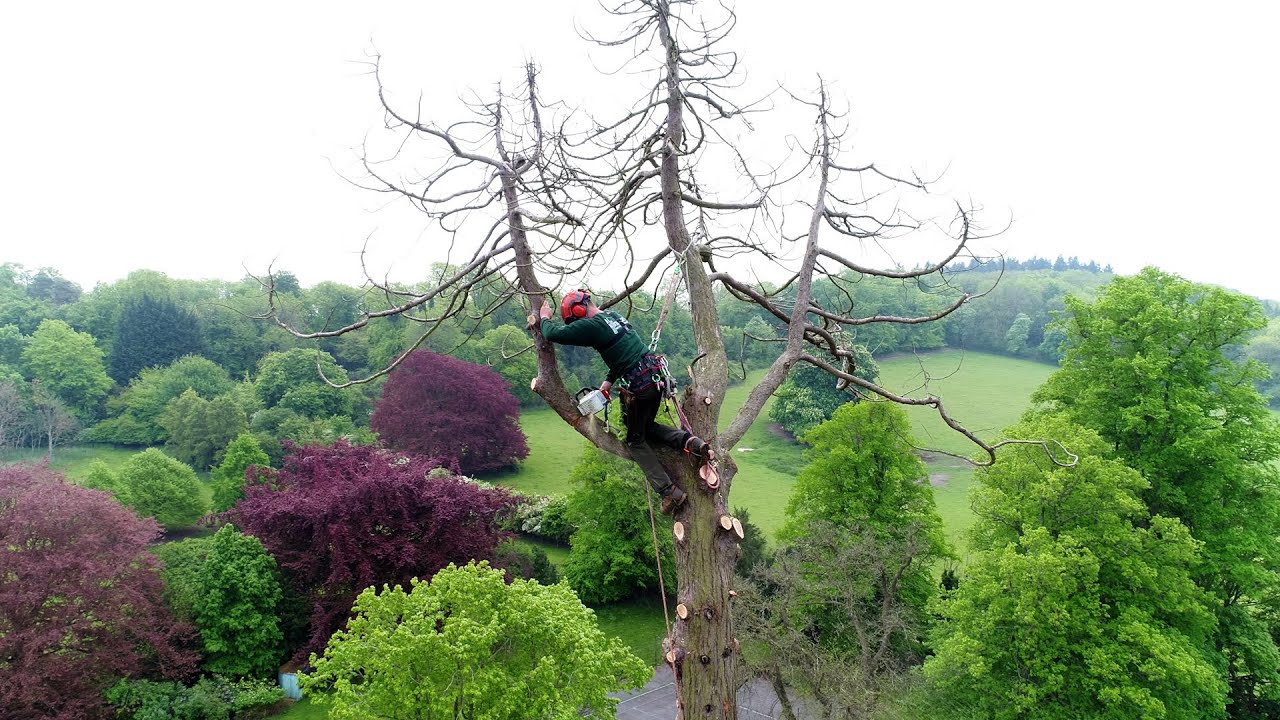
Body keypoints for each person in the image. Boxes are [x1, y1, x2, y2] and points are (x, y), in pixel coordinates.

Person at [529, 289, 712, 514]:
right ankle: (691, 443)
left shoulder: (592, 325)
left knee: (635, 441)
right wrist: (608, 382)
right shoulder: (615, 317)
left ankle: (669, 493)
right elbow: (622, 353)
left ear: (579, 310)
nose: (577, 325)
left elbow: (553, 334)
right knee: (645, 428)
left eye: (575, 320)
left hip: (641, 386)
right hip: (654, 380)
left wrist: (544, 317)